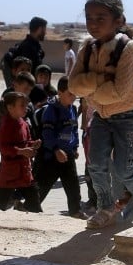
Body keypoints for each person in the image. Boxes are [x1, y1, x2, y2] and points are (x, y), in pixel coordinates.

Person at [69, 0, 133, 229]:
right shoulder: (86, 48)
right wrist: (101, 79)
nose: (93, 23)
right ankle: (106, 207)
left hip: (127, 116)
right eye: (89, 18)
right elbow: (73, 85)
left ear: (118, 20)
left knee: (124, 169)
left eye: (101, 17)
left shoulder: (130, 49)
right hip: (101, 115)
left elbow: (118, 91)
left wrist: (90, 85)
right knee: (95, 165)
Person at [36, 77, 83, 217]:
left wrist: (75, 147)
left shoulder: (73, 109)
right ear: (60, 93)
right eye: (70, 94)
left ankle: (75, 211)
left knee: (73, 186)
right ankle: (30, 207)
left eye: (75, 94)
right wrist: (56, 149)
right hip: (52, 156)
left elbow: (74, 130)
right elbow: (47, 133)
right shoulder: (51, 110)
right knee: (43, 185)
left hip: (68, 155)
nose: (73, 97)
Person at [0, 91, 42, 212]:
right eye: (22, 105)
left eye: (26, 105)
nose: (26, 108)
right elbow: (3, 147)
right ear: (10, 107)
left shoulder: (23, 123)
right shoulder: (5, 125)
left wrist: (33, 144)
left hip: (24, 171)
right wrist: (21, 151)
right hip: (9, 172)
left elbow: (26, 141)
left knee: (34, 199)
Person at [2, 17, 48, 88]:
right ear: (39, 29)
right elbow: (27, 73)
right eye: (44, 30)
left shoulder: (34, 46)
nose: (45, 33)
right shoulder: (28, 47)